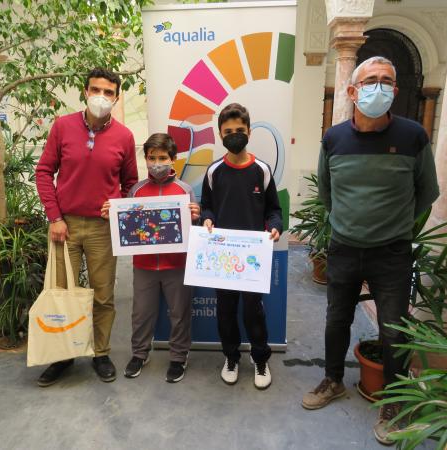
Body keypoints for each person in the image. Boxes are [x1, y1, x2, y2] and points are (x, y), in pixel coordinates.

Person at [301, 56, 440, 445]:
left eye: (386, 81)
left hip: (391, 253)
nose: (378, 87)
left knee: (394, 329)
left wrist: (396, 227)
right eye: (370, 81)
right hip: (344, 248)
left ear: (395, 90)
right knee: (336, 319)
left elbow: (427, 193)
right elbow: (327, 193)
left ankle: (394, 402)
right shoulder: (334, 139)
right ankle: (332, 380)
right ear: (352, 91)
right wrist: (349, 223)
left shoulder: (413, 136)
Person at [35, 68, 138, 387]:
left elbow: (131, 184)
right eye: (96, 90)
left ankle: (100, 353)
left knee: (103, 295)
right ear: (85, 91)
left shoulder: (124, 137)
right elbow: (44, 172)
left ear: (116, 97)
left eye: (109, 92)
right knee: (62, 293)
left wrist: (116, 203)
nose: (101, 97)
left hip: (102, 229)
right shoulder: (62, 127)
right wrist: (54, 217)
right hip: (63, 226)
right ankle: (63, 355)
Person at [101, 133, 200, 383]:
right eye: (152, 158)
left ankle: (178, 356)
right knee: (141, 313)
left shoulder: (185, 191)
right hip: (144, 265)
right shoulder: (136, 191)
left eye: (163, 158)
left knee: (179, 313)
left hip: (177, 264)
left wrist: (195, 217)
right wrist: (112, 214)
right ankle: (140, 354)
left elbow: (193, 228)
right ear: (145, 159)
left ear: (173, 159)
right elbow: (126, 224)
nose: (157, 163)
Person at [200, 103, 282, 390]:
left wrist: (275, 226)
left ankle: (260, 359)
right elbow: (207, 206)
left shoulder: (262, 170)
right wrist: (207, 219)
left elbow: (274, 210)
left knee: (253, 311)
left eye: (239, 130)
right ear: (219, 134)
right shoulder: (214, 171)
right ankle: (231, 357)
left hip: (253, 258)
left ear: (249, 131)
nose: (234, 135)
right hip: (222, 256)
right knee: (225, 310)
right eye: (228, 131)